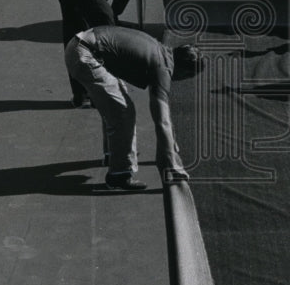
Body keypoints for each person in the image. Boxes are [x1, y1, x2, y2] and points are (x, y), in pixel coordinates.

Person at [65, 26, 203, 190]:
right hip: (85, 54)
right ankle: (119, 175)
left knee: (116, 99)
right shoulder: (163, 68)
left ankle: (114, 155)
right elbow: (162, 121)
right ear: (184, 71)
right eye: (187, 77)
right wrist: (172, 163)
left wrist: (171, 143)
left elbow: (163, 115)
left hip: (81, 45)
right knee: (123, 112)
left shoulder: (161, 51)